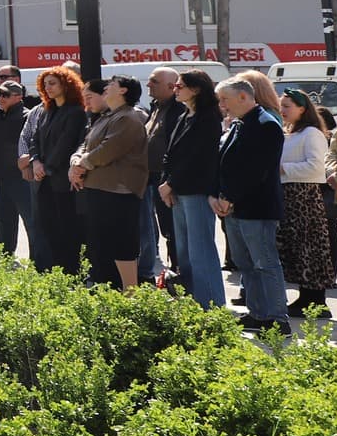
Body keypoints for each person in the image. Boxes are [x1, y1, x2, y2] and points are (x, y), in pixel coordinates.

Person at [215, 75, 288, 330]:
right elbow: (225, 164)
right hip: (235, 206)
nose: (222, 104)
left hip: (257, 207)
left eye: (225, 99)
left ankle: (278, 318)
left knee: (265, 262)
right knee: (245, 263)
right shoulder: (239, 124)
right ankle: (258, 313)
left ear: (243, 96)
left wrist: (230, 198)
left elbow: (258, 171)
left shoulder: (265, 124)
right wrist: (220, 195)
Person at [66, 76, 148, 287]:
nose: (106, 88)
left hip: (118, 191)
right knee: (100, 244)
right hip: (98, 189)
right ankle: (106, 287)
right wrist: (75, 161)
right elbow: (85, 145)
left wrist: (81, 165)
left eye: (111, 85)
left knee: (120, 243)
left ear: (123, 91)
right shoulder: (106, 117)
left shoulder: (128, 118)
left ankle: (129, 292)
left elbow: (107, 150)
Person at [157, 71, 225, 308]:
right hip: (178, 191)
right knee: (184, 252)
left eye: (180, 85)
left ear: (196, 90)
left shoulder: (208, 119)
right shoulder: (185, 116)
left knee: (201, 251)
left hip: (195, 190)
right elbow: (171, 154)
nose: (175, 89)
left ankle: (211, 306)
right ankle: (192, 303)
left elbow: (197, 158)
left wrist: (170, 183)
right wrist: (167, 183)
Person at [277, 86, 333, 317]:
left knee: (310, 248)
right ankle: (305, 298)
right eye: (281, 106)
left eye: (287, 106)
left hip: (305, 197)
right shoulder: (291, 132)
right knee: (298, 249)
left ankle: (317, 302)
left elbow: (316, 167)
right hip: (290, 197)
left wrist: (283, 169)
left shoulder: (311, 133)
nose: (282, 110)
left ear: (302, 108)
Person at [28, 67, 89, 274]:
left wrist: (47, 167)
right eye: (45, 84)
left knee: (67, 231)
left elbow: (66, 143)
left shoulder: (76, 112)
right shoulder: (48, 110)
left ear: (66, 84)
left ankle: (71, 273)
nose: (48, 88)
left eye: (52, 83)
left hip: (63, 181)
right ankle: (56, 273)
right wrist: (36, 162)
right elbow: (34, 139)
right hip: (44, 180)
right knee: (49, 228)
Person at [139, 67, 184, 283]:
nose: (149, 85)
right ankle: (173, 276)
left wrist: (171, 180)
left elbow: (176, 148)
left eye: (154, 81)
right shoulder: (156, 107)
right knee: (165, 229)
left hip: (168, 180)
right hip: (151, 177)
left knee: (174, 231)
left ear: (170, 87)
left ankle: (180, 276)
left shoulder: (178, 111)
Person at [0, 82, 32, 256]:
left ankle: (38, 260)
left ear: (18, 97)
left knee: (31, 220)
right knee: (3, 220)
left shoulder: (26, 116)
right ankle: (5, 256)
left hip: (21, 177)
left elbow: (31, 144)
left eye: (5, 95)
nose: (0, 98)